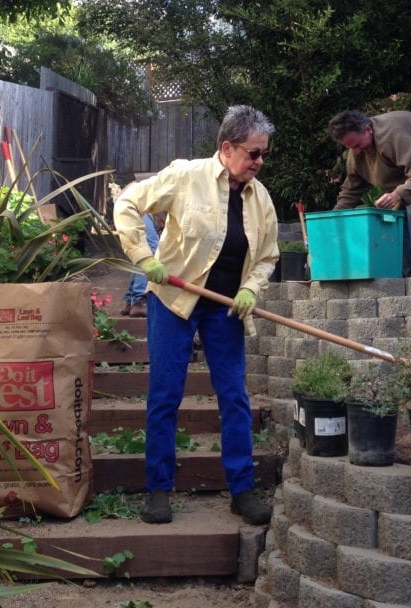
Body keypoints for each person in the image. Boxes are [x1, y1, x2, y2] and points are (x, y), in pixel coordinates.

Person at [113, 105, 279, 526]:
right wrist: (142, 256)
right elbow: (128, 202)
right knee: (165, 395)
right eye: (253, 153)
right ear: (227, 147)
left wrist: (249, 288)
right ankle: (158, 490)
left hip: (224, 309)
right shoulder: (186, 176)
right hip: (173, 300)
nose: (259, 162)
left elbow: (266, 257)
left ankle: (242, 490)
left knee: (235, 399)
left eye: (263, 154)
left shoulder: (260, 199)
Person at [328, 109, 411, 276]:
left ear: (368, 129)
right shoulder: (356, 154)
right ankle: (408, 275)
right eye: (349, 147)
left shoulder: (392, 135)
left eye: (357, 145)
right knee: (399, 212)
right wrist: (331, 222)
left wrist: (397, 194)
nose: (356, 151)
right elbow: (351, 190)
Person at [120, 207, 163, 317]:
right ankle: (139, 301)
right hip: (138, 209)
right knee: (149, 251)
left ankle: (131, 301)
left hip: (136, 209)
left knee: (142, 254)